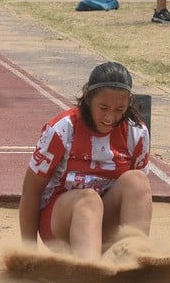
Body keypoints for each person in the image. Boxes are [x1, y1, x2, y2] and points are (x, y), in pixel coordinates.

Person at [18, 61, 152, 261]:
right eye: (103, 108)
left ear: (129, 102)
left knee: (138, 180)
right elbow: (31, 191)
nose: (110, 117)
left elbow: (138, 197)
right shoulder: (62, 129)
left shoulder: (137, 132)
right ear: (88, 97)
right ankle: (88, 267)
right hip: (60, 222)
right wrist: (28, 254)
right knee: (89, 199)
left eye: (119, 109)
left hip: (105, 221)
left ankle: (133, 257)